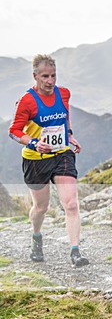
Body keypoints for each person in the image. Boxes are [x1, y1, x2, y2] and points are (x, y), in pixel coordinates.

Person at [8, 54, 89, 267]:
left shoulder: (64, 94)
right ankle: (36, 236)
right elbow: (14, 132)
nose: (50, 81)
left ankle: (75, 251)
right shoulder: (27, 101)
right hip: (36, 159)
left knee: (71, 203)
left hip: (61, 154)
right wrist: (34, 143)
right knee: (41, 208)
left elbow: (64, 114)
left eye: (53, 75)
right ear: (35, 76)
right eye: (45, 76)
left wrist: (69, 134)